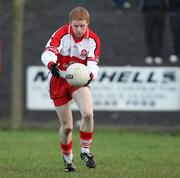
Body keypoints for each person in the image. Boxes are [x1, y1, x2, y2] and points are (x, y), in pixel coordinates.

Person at [41, 7, 101, 172]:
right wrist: (53, 66)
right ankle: (68, 159)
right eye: (76, 26)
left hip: (78, 81)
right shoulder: (61, 34)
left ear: (87, 24)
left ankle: (85, 151)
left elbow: (93, 64)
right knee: (67, 126)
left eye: (82, 26)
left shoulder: (93, 40)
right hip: (59, 80)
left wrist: (89, 75)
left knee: (88, 114)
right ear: (70, 24)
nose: (79, 29)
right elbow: (47, 53)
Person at [138, 0, 168, 64]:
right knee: (149, 34)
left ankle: (159, 54)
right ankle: (149, 54)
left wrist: (166, 8)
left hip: (160, 11)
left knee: (159, 34)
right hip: (149, 11)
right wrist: (141, 8)